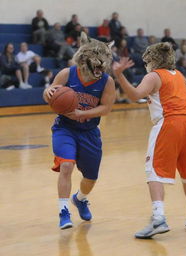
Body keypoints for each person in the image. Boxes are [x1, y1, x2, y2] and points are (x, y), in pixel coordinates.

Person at [112, 42, 186, 239]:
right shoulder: (178, 75)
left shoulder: (154, 76)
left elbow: (134, 95)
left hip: (169, 124)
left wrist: (119, 75)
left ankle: (158, 219)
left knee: (154, 172)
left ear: (153, 60)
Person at [43, 32, 115, 229]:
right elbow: (50, 92)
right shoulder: (68, 73)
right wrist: (48, 92)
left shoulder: (107, 81)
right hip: (65, 128)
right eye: (96, 59)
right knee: (66, 166)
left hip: (89, 132)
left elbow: (106, 108)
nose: (100, 63)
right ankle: (63, 212)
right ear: (84, 56)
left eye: (104, 60)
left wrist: (84, 113)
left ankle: (80, 199)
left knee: (91, 178)